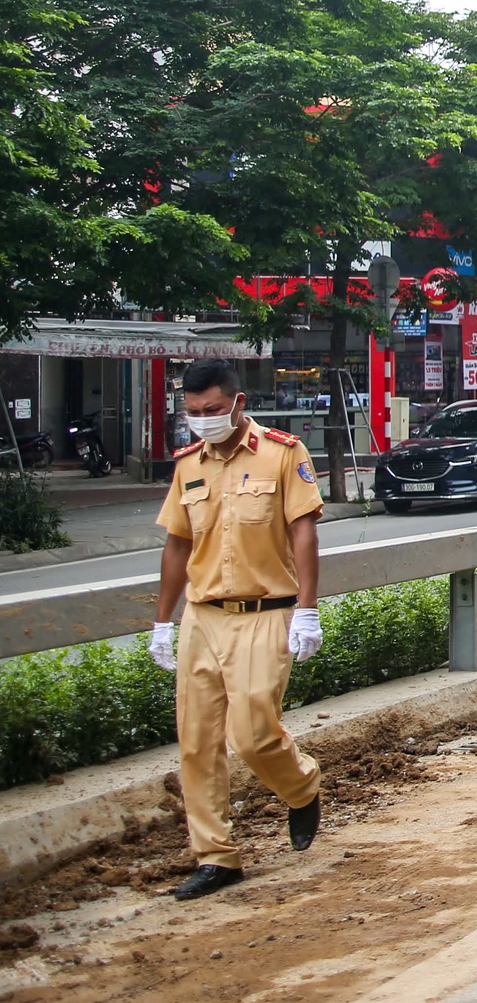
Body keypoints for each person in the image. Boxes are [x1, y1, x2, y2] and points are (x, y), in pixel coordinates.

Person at [149, 358, 326, 900]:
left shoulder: (282, 454)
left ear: (238, 403)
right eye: (194, 412)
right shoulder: (188, 465)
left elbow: (304, 534)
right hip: (202, 616)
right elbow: (178, 544)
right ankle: (216, 856)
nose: (203, 419)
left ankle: (301, 787)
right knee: (197, 742)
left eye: (213, 409)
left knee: (251, 734)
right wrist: (162, 620)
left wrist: (307, 607)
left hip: (265, 611)